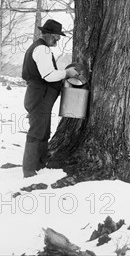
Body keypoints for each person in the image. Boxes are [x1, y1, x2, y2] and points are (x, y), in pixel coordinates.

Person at [21, 19, 79, 178]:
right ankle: (29, 170)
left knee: (43, 130)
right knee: (36, 131)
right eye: (56, 36)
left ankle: (39, 164)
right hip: (39, 96)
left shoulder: (40, 48)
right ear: (48, 34)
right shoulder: (42, 50)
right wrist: (66, 73)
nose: (58, 39)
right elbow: (48, 75)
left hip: (39, 96)